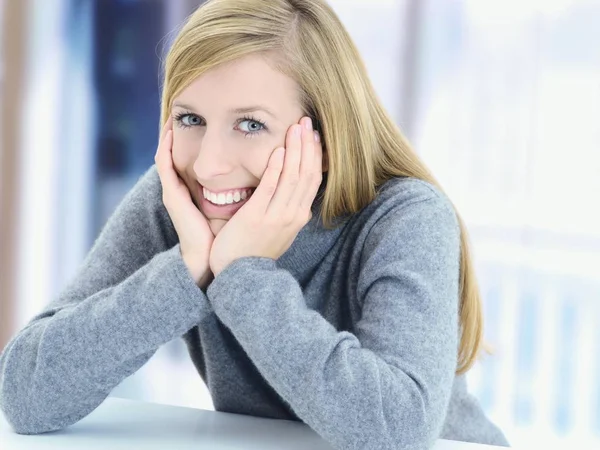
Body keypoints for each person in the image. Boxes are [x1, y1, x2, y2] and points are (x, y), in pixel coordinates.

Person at [0, 0, 509, 449]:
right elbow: (24, 394)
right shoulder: (176, 200)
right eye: (190, 119)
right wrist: (188, 268)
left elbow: (398, 431)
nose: (208, 166)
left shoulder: (406, 218)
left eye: (251, 124)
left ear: (326, 139)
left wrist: (243, 273)